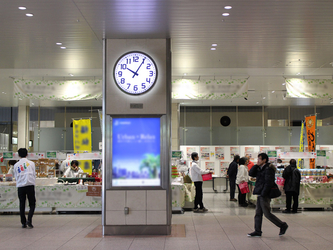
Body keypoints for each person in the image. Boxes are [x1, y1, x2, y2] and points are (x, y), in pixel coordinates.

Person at [248, 153, 288, 237]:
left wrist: (263, 193)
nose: (257, 160)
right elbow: (251, 173)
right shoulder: (260, 168)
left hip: (264, 193)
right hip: (260, 192)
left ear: (264, 160)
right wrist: (256, 165)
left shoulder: (268, 169)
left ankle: (282, 225)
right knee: (258, 213)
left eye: (259, 159)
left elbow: (268, 183)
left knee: (267, 213)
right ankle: (257, 231)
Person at [13, 148, 36, 229]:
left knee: (22, 204)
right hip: (30, 184)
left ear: (18, 155)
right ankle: (29, 219)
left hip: (20, 186)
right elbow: (34, 174)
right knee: (32, 203)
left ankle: (23, 222)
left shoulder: (16, 165)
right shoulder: (31, 163)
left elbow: (15, 176)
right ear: (27, 154)